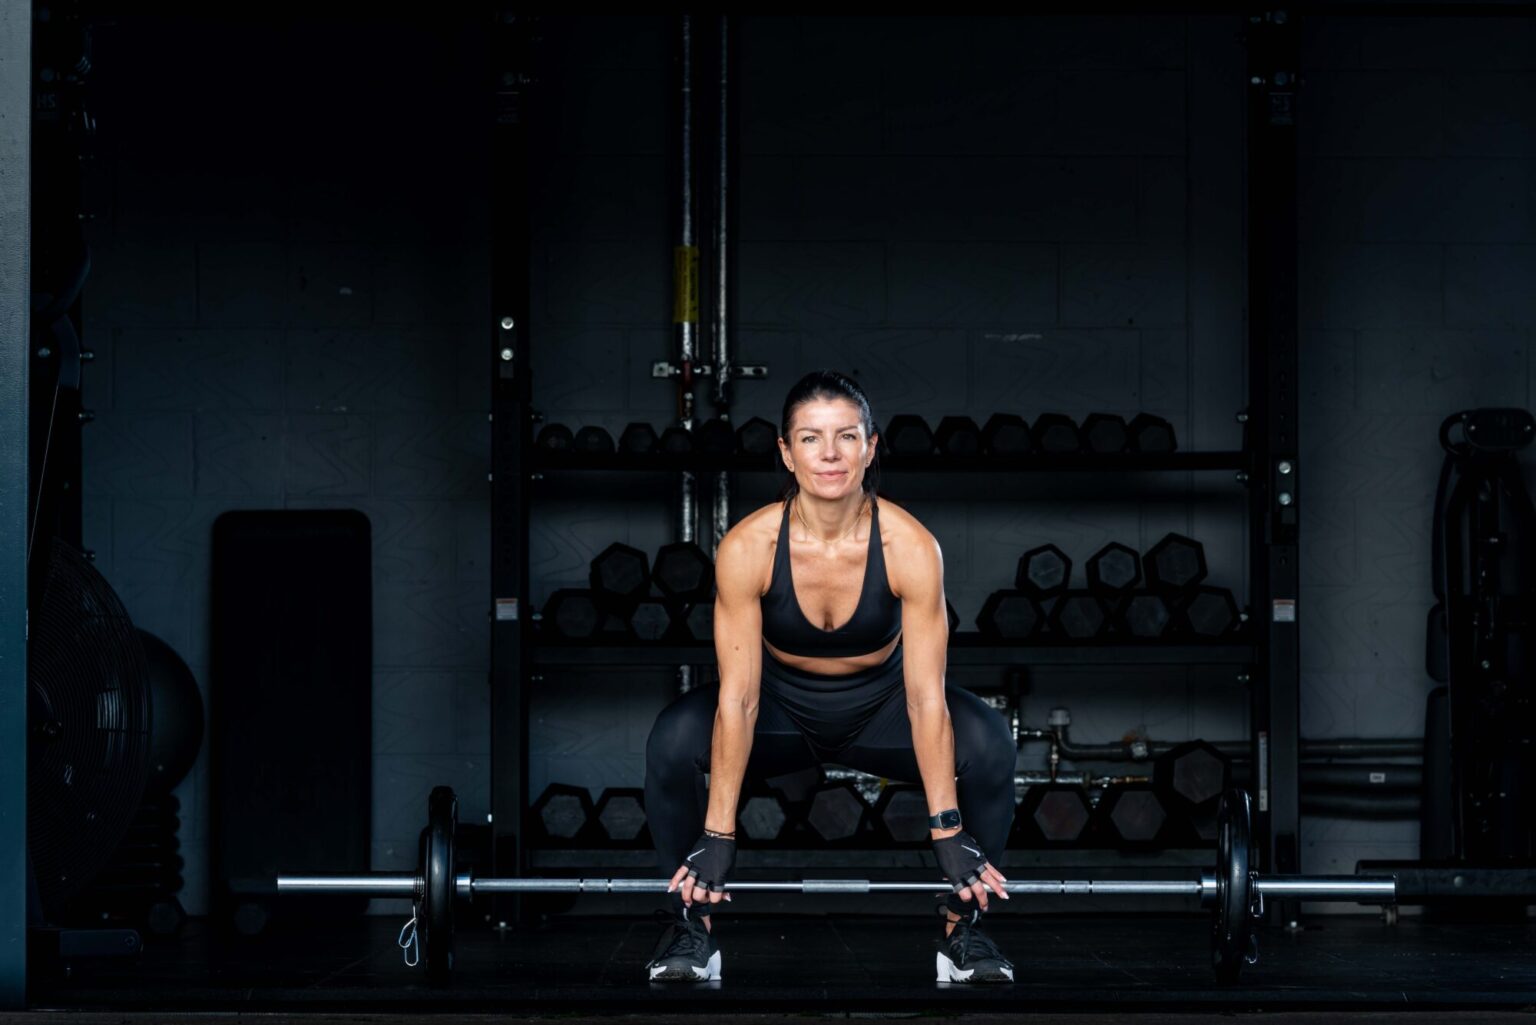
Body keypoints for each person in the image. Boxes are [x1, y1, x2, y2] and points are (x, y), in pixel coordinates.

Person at [642, 370, 1019, 984]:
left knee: (988, 743)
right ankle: (690, 928)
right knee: (673, 741)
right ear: (787, 454)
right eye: (811, 439)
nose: (831, 454)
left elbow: (927, 698)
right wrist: (718, 834)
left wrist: (947, 829)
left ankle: (964, 932)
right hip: (778, 709)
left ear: (871, 447)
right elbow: (737, 700)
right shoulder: (748, 546)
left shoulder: (910, 546)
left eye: (847, 437)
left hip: (884, 709)